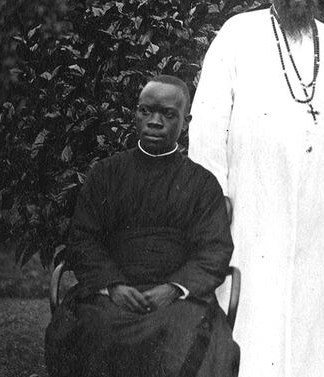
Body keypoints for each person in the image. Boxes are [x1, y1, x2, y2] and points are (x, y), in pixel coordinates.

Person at [188, 0, 324, 377]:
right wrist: (213, 195)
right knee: (252, 307)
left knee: (312, 311)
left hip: (318, 210)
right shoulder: (237, 34)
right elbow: (209, 120)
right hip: (251, 202)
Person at [45, 75, 239, 377]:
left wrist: (173, 289)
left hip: (176, 300)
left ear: (185, 123)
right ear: (135, 114)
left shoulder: (202, 184)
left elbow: (214, 250)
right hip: (109, 296)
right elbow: (83, 239)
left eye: (168, 114)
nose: (154, 122)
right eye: (145, 111)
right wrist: (113, 286)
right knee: (92, 327)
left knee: (185, 335)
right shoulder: (106, 174)